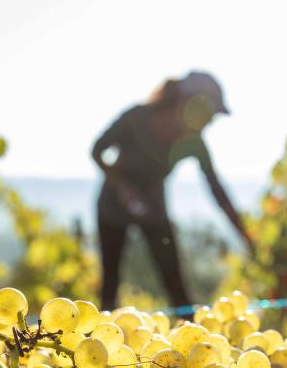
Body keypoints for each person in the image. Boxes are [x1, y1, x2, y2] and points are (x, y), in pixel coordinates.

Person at [91, 72, 254, 311]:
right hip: (113, 207)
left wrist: (245, 235)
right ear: (189, 103)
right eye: (208, 114)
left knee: (177, 287)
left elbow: (216, 190)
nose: (209, 122)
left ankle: (192, 338)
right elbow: (97, 150)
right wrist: (125, 189)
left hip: (154, 210)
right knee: (110, 289)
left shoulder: (193, 142)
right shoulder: (138, 117)